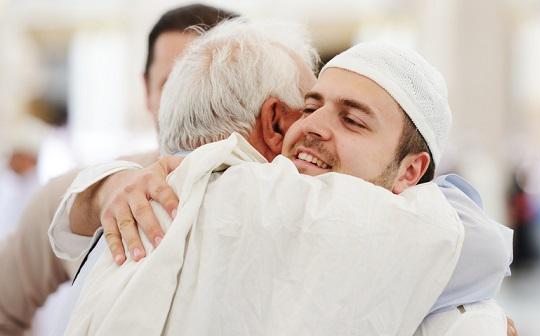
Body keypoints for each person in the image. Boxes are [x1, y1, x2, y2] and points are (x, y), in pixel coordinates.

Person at [50, 19, 513, 335]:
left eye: (353, 120)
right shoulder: (261, 201)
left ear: (411, 171)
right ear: (274, 123)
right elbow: (480, 244)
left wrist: (102, 186)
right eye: (308, 107)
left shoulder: (154, 193)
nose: (312, 127)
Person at [0, 4, 237, 334]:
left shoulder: (282, 199)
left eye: (213, 88)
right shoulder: (73, 196)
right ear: (146, 90)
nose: (191, 104)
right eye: (173, 85)